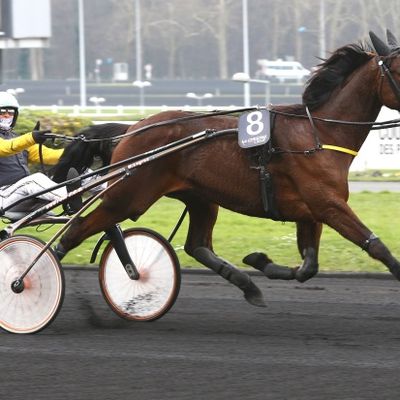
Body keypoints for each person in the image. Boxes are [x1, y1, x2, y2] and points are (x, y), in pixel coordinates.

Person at [0, 91, 81, 215]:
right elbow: (5, 148)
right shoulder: (18, 142)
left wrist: (80, 149)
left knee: (81, 167)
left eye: (10, 113)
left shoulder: (16, 138)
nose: (6, 116)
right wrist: (31, 137)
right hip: (4, 197)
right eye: (2, 112)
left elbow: (50, 155)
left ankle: (110, 194)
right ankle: (71, 197)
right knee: (35, 179)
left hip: (23, 196)